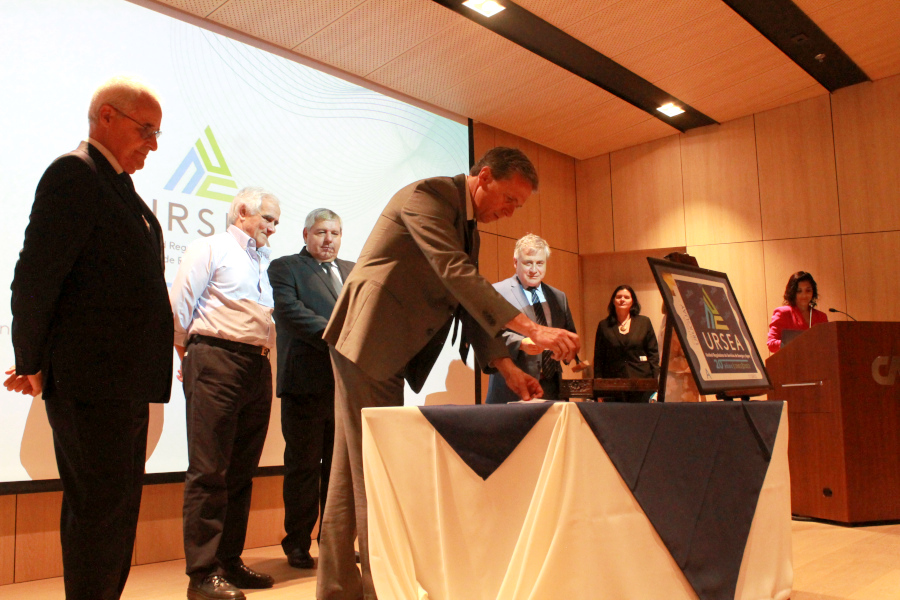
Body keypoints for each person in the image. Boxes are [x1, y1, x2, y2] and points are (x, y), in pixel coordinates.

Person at [316, 147, 580, 600]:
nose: (510, 211)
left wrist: (509, 370)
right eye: (509, 200)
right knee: (374, 471)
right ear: (483, 177)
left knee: (350, 470)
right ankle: (380, 588)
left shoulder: (467, 226)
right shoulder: (431, 195)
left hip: (383, 349)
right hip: (369, 339)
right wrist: (534, 327)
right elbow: (457, 275)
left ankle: (337, 590)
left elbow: (469, 306)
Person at [5, 76, 172, 600]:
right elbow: (35, 279)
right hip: (90, 381)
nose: (152, 143)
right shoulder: (73, 174)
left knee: (117, 512)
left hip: (122, 383)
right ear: (106, 116)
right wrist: (32, 361)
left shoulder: (120, 186)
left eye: (157, 134)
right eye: (146, 130)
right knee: (98, 512)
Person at [169, 187, 281, 600]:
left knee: (241, 472)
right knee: (209, 470)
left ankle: (228, 561)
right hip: (215, 357)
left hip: (256, 363)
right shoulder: (210, 247)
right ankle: (202, 573)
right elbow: (180, 305)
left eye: (276, 222)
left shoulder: (263, 260)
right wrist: (189, 356)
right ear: (243, 212)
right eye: (268, 218)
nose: (273, 227)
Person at [268, 209, 354, 570]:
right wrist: (342, 336)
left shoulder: (352, 271)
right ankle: (297, 543)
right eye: (321, 232)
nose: (328, 239)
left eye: (334, 233)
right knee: (303, 467)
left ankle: (334, 544)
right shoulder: (285, 267)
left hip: (346, 385)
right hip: (304, 383)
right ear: (306, 234)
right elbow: (288, 312)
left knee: (339, 472)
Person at [485, 233, 587, 403]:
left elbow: (568, 333)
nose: (534, 270)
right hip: (513, 388)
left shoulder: (558, 296)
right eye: (528, 263)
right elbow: (486, 337)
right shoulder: (497, 293)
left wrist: (568, 351)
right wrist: (520, 343)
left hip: (553, 387)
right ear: (515, 262)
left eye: (540, 263)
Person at [593, 285, 660, 403]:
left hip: (642, 383)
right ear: (613, 301)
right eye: (619, 297)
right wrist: (599, 389)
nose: (622, 299)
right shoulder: (604, 325)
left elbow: (653, 353)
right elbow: (599, 359)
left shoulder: (644, 322)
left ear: (632, 301)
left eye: (626, 297)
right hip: (613, 385)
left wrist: (655, 383)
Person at [767, 271, 827, 353]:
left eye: (808, 290)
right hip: (790, 363)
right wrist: (795, 343)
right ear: (792, 292)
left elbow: (827, 345)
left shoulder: (821, 317)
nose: (804, 295)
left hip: (817, 364)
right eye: (799, 291)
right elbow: (771, 345)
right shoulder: (783, 313)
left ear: (813, 292)